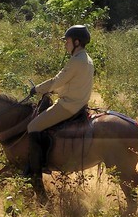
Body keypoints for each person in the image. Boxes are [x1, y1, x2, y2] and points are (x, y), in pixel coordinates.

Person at [26, 24, 94, 178]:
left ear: (76, 42)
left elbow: (57, 80)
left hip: (68, 106)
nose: (65, 44)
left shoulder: (76, 60)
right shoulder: (87, 59)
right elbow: (71, 85)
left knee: (33, 126)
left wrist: (37, 89)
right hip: (79, 104)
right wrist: (52, 90)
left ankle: (38, 166)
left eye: (67, 41)